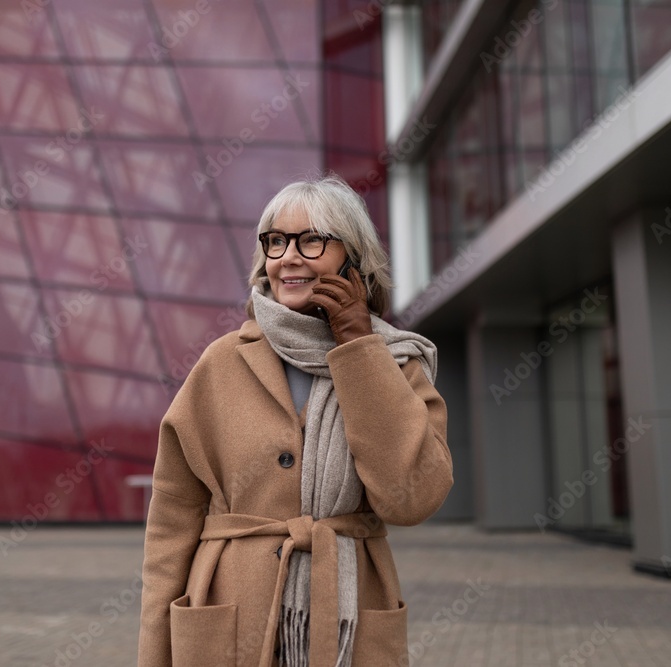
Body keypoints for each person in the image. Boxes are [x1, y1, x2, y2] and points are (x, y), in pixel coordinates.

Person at [138, 174, 453, 666]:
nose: (288, 257)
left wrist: (356, 347)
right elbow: (172, 522)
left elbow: (410, 497)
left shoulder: (398, 365)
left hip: (348, 616)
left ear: (355, 259)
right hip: (229, 615)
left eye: (311, 241)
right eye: (276, 241)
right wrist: (154, 655)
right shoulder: (220, 364)